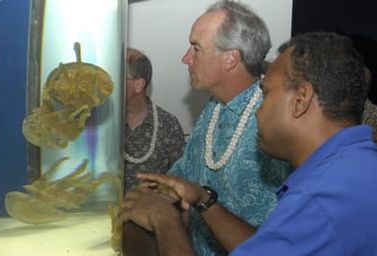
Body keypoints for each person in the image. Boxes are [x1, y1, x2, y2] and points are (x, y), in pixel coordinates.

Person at [121, 32, 377, 255]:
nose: (257, 111)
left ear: (301, 100)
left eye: (265, 94)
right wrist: (204, 199)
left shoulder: (321, 199)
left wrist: (165, 220)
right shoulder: (354, 165)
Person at [123, 1, 291, 255]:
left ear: (230, 58)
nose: (185, 58)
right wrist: (145, 193)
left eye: (196, 48)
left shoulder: (273, 121)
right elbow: (184, 174)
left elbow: (277, 240)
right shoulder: (214, 107)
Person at [124, 48, 185, 191]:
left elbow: (181, 183)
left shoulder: (168, 126)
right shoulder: (102, 123)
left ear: (138, 85)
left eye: (116, 75)